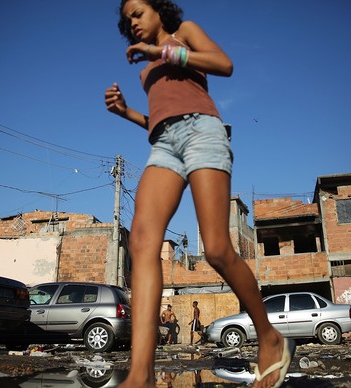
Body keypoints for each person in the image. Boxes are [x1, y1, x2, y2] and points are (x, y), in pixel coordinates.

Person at [104, 1, 295, 387]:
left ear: (159, 10)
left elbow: (224, 65)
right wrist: (126, 112)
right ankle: (141, 375)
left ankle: (271, 338)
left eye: (139, 12)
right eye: (128, 20)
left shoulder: (184, 33)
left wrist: (161, 51)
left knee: (217, 250)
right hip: (163, 145)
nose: (133, 22)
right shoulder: (146, 73)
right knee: (142, 241)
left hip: (202, 132)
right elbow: (158, 119)